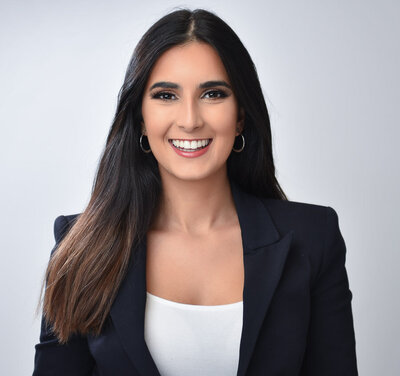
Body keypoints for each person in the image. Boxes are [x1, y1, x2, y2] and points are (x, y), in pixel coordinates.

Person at [32, 7, 358, 376]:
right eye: (166, 95)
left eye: (213, 94)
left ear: (240, 116)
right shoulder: (81, 246)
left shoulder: (314, 238)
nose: (190, 120)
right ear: (141, 117)